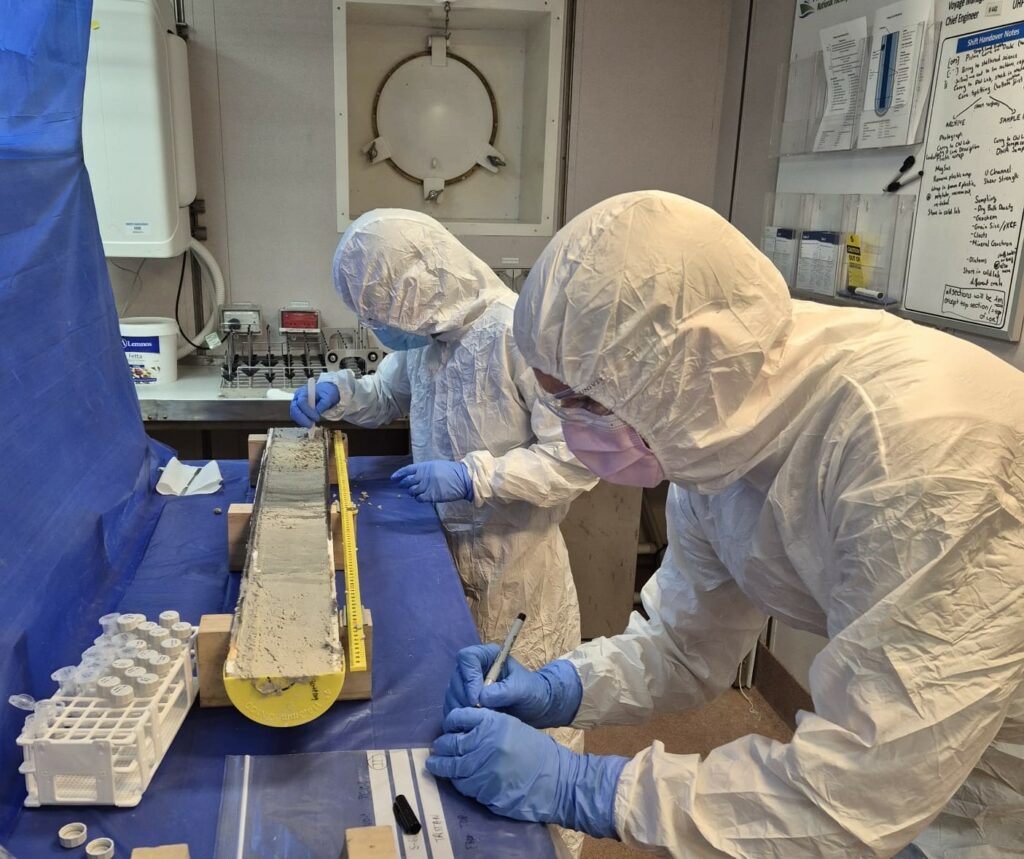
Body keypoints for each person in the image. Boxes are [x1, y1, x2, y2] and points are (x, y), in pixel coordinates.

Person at [426, 191, 1024, 857]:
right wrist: (561, 685)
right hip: (919, 744)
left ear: (679, 365)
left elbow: (855, 793)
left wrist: (588, 788)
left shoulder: (915, 452)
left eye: (586, 400)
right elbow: (686, 645)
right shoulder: (715, 434)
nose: (573, 430)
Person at [289, 211, 597, 828]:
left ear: (419, 287)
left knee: (525, 729)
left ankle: (546, 840)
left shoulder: (517, 333)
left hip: (517, 568)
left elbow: (573, 457)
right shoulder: (433, 337)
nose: (378, 327)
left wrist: (475, 476)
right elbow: (391, 392)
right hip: (443, 554)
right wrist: (341, 394)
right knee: (452, 715)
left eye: (381, 311)